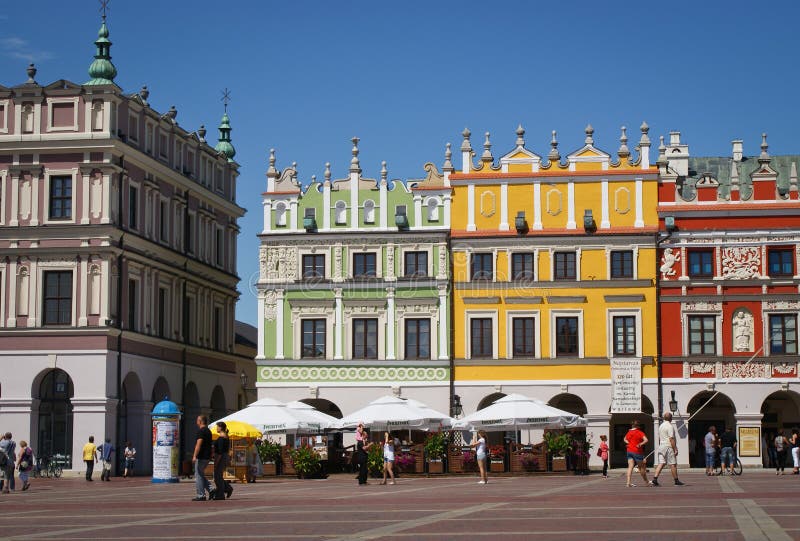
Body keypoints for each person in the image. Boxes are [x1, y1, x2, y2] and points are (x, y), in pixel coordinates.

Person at [651, 412, 684, 486]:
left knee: (661, 463)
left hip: (661, 446)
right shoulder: (670, 426)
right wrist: (675, 449)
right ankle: (676, 481)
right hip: (668, 446)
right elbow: (671, 438)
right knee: (673, 464)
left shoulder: (661, 426)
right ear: (671, 418)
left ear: (664, 418)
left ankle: (655, 479)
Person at [191, 415, 213, 501]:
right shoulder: (208, 431)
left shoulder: (201, 431)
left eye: (197, 420)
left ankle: (201, 494)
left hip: (201, 456)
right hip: (207, 456)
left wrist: (194, 456)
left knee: (198, 475)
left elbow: (198, 445)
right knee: (200, 474)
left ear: (200, 421)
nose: (196, 422)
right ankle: (211, 489)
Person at [624, 420, 650, 487]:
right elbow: (646, 440)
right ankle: (646, 482)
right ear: (638, 426)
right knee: (641, 468)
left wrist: (628, 443)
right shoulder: (639, 432)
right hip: (637, 451)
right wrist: (640, 444)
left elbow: (624, 439)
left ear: (632, 425)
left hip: (629, 450)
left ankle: (628, 483)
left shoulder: (629, 432)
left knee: (630, 467)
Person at [211, 422, 232, 500]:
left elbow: (219, 452)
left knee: (217, 477)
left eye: (217, 427)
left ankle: (220, 494)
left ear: (220, 427)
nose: (216, 428)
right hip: (224, 457)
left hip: (221, 458)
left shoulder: (221, 438)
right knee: (219, 476)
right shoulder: (226, 436)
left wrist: (216, 462)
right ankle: (228, 488)